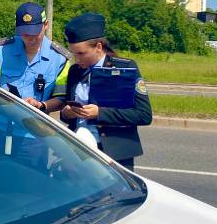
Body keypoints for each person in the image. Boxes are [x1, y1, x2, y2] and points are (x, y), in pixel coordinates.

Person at [0, 2, 72, 167]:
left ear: (46, 25)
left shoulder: (60, 59)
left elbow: (61, 98)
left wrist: (41, 105)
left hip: (34, 138)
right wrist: (2, 100)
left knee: (30, 189)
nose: (30, 38)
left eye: (35, 33)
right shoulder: (0, 51)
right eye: (24, 33)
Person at [60, 13, 152, 171]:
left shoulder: (125, 69)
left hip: (114, 155)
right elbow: (67, 112)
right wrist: (67, 113)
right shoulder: (75, 71)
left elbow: (143, 114)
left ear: (98, 47)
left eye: (81, 53)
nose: (77, 59)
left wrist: (99, 113)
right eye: (74, 53)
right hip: (79, 150)